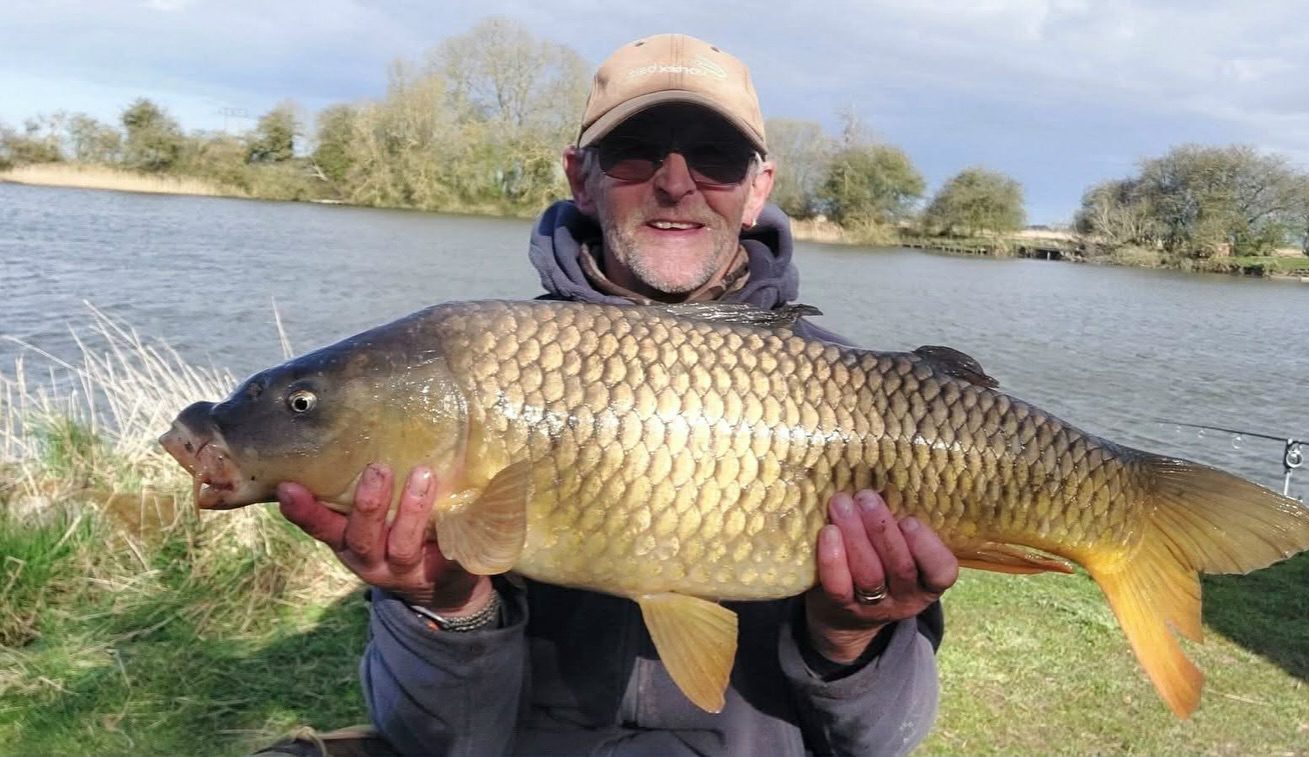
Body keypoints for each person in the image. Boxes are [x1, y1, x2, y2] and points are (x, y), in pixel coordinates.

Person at [261, 33, 959, 757]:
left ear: (758, 188)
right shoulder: (480, 368)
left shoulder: (861, 393)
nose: (676, 183)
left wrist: (849, 636)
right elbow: (441, 742)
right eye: (635, 152)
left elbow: (880, 742)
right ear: (580, 177)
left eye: (716, 158)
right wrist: (449, 606)